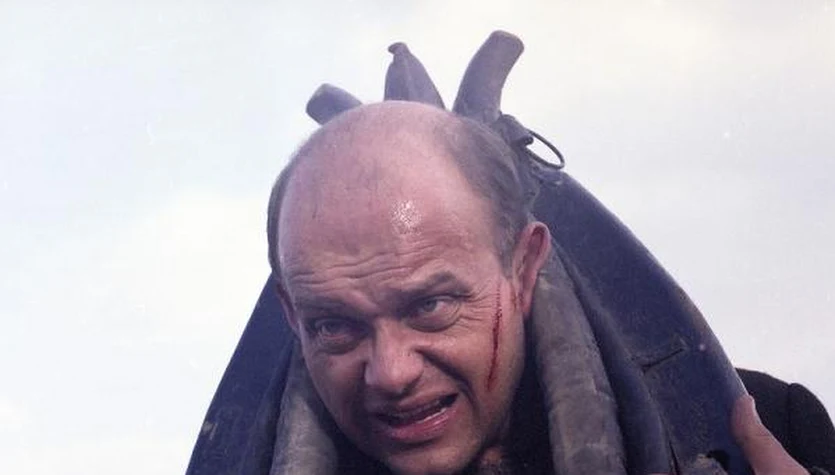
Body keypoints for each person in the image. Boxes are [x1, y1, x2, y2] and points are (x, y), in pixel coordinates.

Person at [265, 100, 834, 474]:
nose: (391, 373)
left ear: (523, 267)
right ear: (292, 316)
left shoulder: (776, 434)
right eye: (334, 326)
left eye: (430, 305)